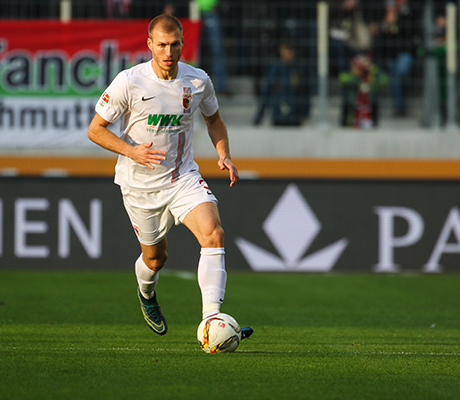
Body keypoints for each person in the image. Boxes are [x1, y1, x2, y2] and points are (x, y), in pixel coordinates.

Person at [87, 14, 253, 339]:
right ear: (149, 44)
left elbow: (214, 120)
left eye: (174, 43)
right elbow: (96, 130)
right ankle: (147, 294)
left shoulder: (198, 81)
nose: (168, 51)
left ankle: (211, 320)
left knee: (213, 234)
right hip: (139, 186)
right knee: (156, 258)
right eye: (161, 44)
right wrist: (132, 151)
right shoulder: (129, 81)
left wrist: (224, 154)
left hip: (182, 178)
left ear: (182, 43)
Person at [252, 38, 311, 126]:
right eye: (285, 51)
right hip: (278, 113)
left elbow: (305, 93)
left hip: (295, 114)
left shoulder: (299, 70)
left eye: (290, 51)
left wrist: (305, 114)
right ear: (281, 51)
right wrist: (259, 116)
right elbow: (267, 91)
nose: (287, 54)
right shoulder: (275, 69)